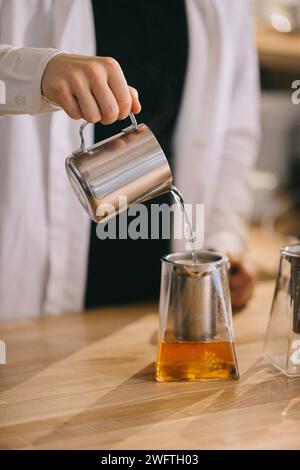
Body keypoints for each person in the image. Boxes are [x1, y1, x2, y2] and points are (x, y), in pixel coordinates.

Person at [0, 0, 259, 320]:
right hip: (25, 291)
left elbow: (235, 132)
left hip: (155, 297)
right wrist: (33, 70)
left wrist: (224, 241)